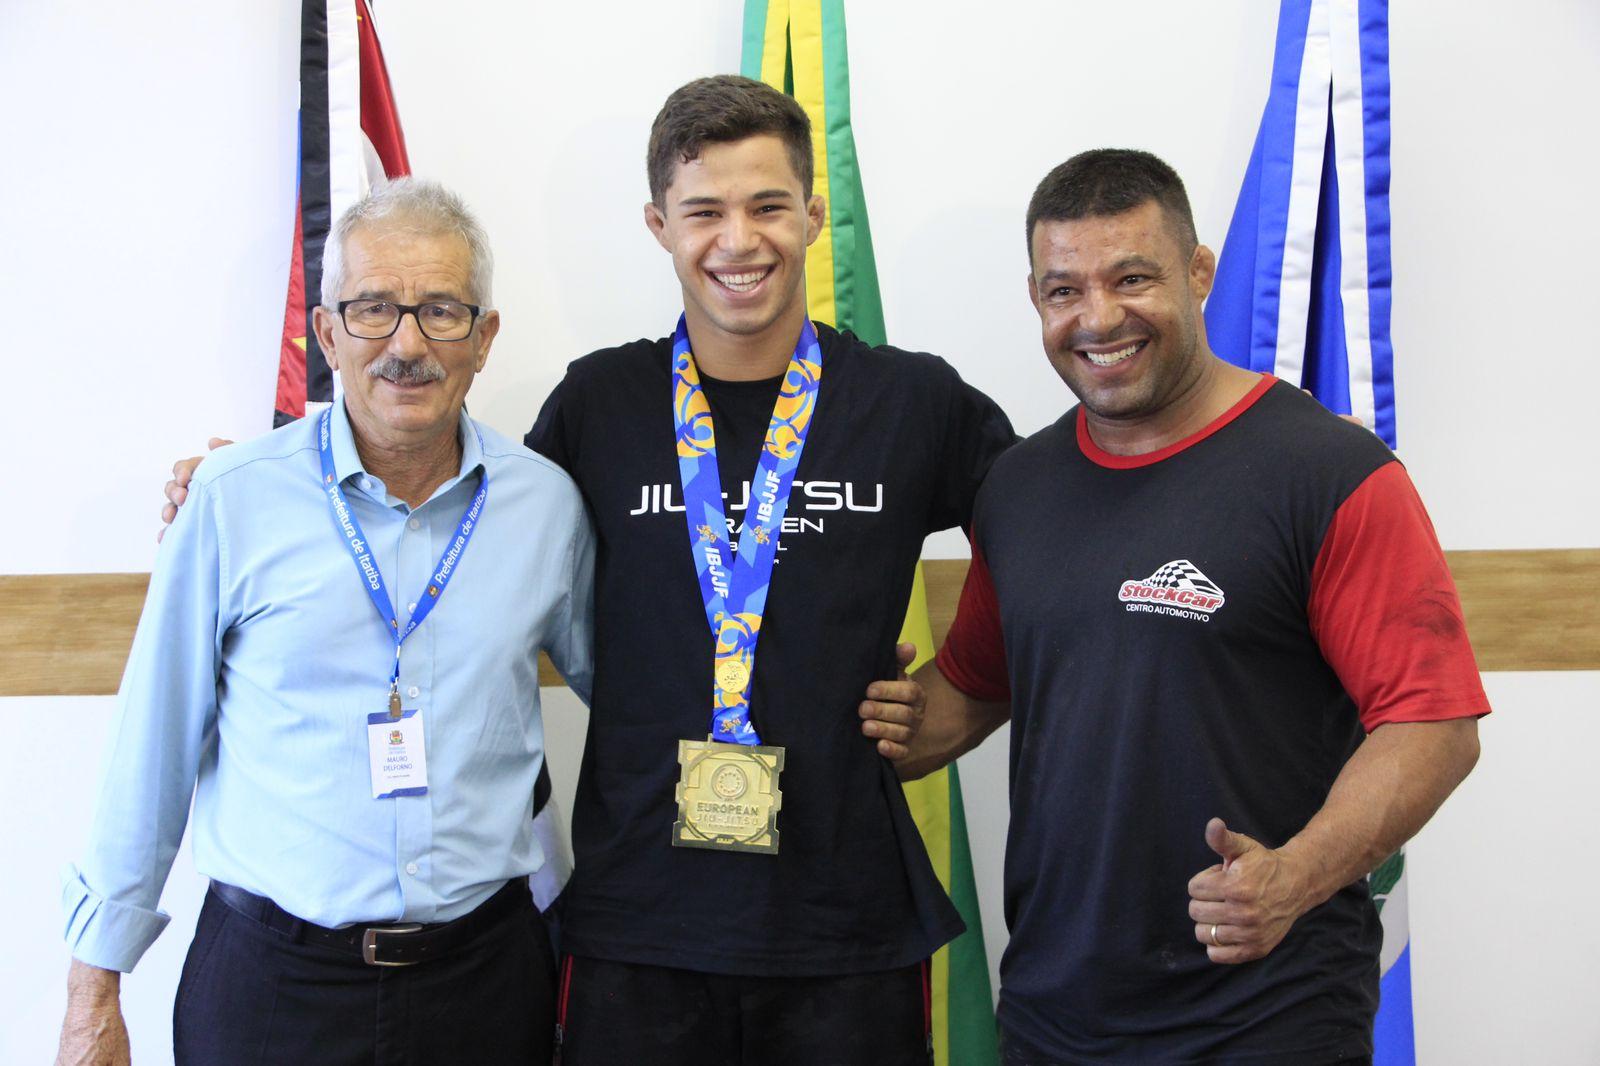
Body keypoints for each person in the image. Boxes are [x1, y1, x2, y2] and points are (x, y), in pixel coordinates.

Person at [158, 76, 1013, 1065]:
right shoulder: (599, 403)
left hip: (844, 926)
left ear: (814, 216)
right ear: (659, 224)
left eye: (769, 205)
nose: (738, 238)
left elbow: (1062, 529)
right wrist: (255, 484)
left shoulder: (911, 401)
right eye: (704, 210)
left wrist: (972, 693)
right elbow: (452, 512)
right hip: (632, 932)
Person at [890, 149, 1488, 1065]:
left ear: (1199, 272)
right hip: (1055, 1015)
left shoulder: (1329, 474)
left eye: (1133, 278)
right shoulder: (1017, 487)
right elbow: (973, 690)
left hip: (1267, 1018)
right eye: (1064, 291)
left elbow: (1434, 726)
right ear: (1036, 297)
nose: (1098, 318)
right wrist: (835, 714)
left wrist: (1291, 877)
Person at [59, 179, 596, 1065]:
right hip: (271, 989)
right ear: (328, 333)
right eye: (374, 309)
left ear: (485, 338)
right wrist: (92, 995)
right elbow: (147, 751)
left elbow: (636, 691)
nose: (408, 345)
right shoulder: (232, 502)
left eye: (443, 312)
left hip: (487, 986)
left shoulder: (546, 506)